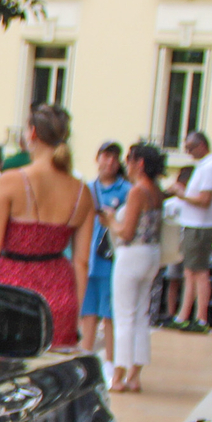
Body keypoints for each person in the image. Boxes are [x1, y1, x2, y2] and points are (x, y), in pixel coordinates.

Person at [0, 104, 93, 351]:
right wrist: (75, 310)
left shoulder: (10, 182)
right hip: (60, 294)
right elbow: (81, 262)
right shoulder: (83, 192)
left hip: (13, 293)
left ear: (33, 133)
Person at [107, 143, 166, 394]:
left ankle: (118, 376)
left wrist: (111, 219)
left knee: (124, 315)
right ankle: (135, 374)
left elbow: (127, 231)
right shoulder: (157, 190)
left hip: (132, 253)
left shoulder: (137, 191)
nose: (126, 164)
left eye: (129, 159)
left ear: (139, 163)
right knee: (141, 314)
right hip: (152, 253)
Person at [167, 129, 212, 332]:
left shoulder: (211, 167)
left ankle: (201, 318)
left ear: (202, 145)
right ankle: (184, 315)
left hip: (200, 227)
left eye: (190, 148)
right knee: (190, 271)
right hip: (193, 225)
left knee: (199, 272)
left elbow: (204, 200)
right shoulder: (204, 166)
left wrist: (181, 195)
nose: (188, 152)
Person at [81, 141, 127, 361]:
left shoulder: (126, 190)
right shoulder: (87, 188)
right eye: (106, 156)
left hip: (110, 260)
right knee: (87, 314)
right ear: (97, 158)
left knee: (109, 315)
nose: (109, 162)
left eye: (114, 158)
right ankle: (85, 357)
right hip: (88, 259)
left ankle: (111, 361)